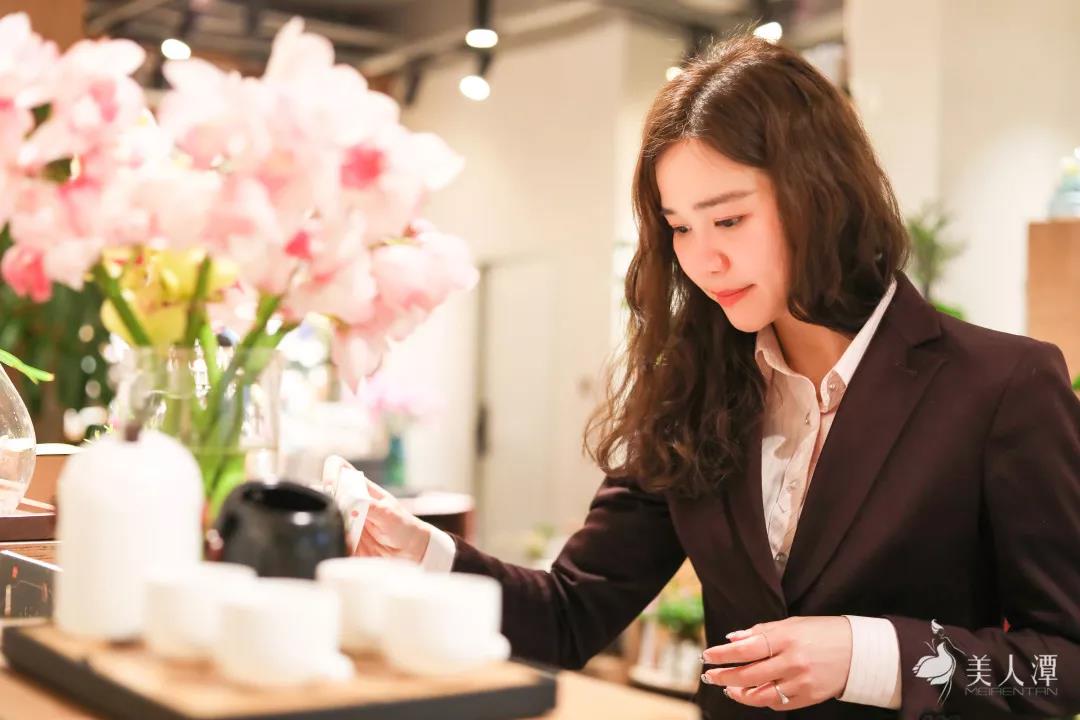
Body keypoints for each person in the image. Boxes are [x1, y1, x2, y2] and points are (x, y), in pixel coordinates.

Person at [353, 34, 1080, 720]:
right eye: (680, 227)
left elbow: (1064, 665)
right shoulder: (694, 390)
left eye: (728, 220)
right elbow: (570, 614)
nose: (703, 260)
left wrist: (871, 655)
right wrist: (421, 552)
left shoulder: (1001, 386)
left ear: (821, 193)